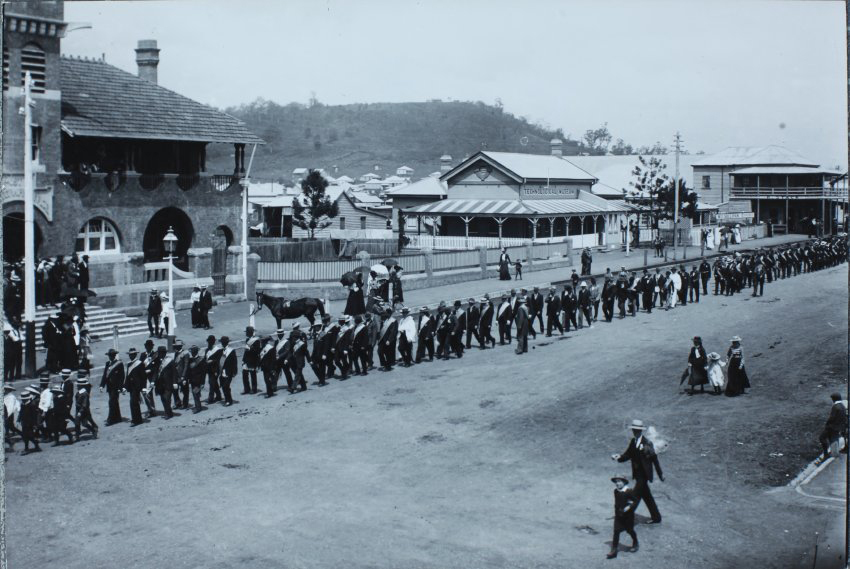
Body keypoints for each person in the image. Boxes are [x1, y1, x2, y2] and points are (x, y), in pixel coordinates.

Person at [612, 419, 663, 524]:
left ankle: (626, 517)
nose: (635, 432)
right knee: (647, 496)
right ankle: (656, 517)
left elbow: (654, 460)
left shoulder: (647, 443)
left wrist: (660, 474)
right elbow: (627, 455)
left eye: (637, 430)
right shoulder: (633, 442)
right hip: (637, 474)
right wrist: (619, 457)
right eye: (634, 430)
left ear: (641, 431)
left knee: (633, 496)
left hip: (644, 476)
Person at [607, 474, 639, 559]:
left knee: (630, 530)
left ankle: (635, 542)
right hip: (618, 515)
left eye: (619, 481)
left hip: (628, 516)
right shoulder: (616, 491)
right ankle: (614, 550)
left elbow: (635, 501)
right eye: (616, 482)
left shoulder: (628, 491)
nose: (617, 483)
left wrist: (628, 507)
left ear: (624, 482)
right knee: (616, 531)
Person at [818, 393, 848, 463]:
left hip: (831, 427)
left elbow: (832, 418)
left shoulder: (836, 407)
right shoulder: (842, 406)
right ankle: (833, 452)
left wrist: (827, 424)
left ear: (834, 399)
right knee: (833, 439)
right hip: (838, 427)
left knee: (822, 438)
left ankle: (826, 454)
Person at [100, 348, 125, 426]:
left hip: (116, 387)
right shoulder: (107, 363)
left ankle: (110, 420)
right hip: (109, 386)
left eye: (112, 355)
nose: (111, 357)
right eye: (110, 355)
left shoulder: (119, 363)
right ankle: (118, 418)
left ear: (115, 356)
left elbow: (122, 376)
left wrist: (120, 387)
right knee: (114, 402)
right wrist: (102, 385)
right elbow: (105, 375)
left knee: (111, 402)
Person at [124, 347, 146, 425]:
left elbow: (143, 377)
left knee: (133, 402)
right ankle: (137, 419)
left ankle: (136, 420)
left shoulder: (140, 363)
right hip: (131, 387)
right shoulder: (129, 364)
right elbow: (127, 376)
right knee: (134, 403)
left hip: (137, 386)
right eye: (130, 355)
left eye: (132, 354)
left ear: (135, 354)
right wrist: (125, 387)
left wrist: (144, 388)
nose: (131, 356)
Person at [74, 373, 98, 440]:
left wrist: (80, 412)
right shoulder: (78, 392)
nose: (77, 386)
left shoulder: (84, 394)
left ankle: (93, 431)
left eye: (78, 385)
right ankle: (77, 436)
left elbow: (85, 404)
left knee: (84, 423)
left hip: (83, 411)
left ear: (81, 386)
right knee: (77, 422)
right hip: (78, 409)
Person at [154, 346, 175, 418]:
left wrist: (175, 382)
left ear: (165, 353)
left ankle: (168, 414)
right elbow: (155, 372)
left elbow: (174, 372)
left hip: (168, 383)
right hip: (160, 383)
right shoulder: (157, 361)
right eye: (159, 353)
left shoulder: (170, 361)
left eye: (162, 353)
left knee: (167, 398)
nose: (160, 354)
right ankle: (168, 412)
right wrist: (153, 381)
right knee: (163, 399)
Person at [205, 335, 224, 404]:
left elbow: (218, 360)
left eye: (210, 342)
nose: (209, 343)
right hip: (209, 369)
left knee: (211, 383)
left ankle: (211, 398)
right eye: (208, 342)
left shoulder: (218, 350)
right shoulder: (207, 350)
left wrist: (212, 361)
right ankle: (218, 396)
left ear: (213, 342)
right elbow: (205, 358)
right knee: (214, 383)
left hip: (215, 369)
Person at [187, 345, 206, 411]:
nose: (192, 353)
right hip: (192, 380)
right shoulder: (190, 360)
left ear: (196, 352)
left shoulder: (201, 360)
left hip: (199, 380)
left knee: (195, 394)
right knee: (195, 393)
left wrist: (203, 382)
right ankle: (198, 406)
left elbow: (203, 372)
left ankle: (198, 408)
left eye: (194, 352)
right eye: (192, 352)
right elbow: (189, 370)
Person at [219, 336, 238, 405]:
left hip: (229, 371)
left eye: (223, 343)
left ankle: (229, 401)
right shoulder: (221, 351)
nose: (222, 344)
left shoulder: (231, 351)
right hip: (222, 372)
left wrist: (234, 371)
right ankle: (227, 399)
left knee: (226, 386)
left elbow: (234, 362)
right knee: (224, 386)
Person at [242, 327, 260, 395]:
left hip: (253, 360)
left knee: (253, 375)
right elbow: (245, 351)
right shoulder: (247, 340)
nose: (246, 333)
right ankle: (246, 389)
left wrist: (250, 349)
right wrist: (243, 360)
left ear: (250, 332)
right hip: (246, 360)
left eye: (246, 332)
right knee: (244, 375)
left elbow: (257, 351)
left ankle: (254, 389)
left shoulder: (256, 340)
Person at [174, 340, 191, 409]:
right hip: (176, 375)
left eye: (176, 346)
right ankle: (178, 403)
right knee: (175, 390)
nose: (175, 347)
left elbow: (186, 365)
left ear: (180, 346)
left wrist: (183, 376)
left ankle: (185, 404)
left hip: (182, 375)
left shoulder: (185, 353)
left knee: (185, 391)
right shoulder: (176, 353)